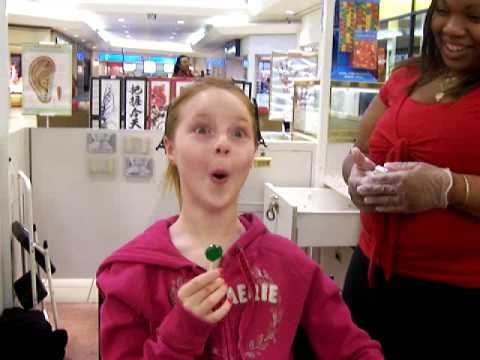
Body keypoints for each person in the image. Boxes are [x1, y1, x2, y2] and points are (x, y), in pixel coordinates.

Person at [96, 78, 383, 359]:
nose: (222, 143)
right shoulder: (132, 274)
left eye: (238, 133)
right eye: (202, 129)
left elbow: (353, 348)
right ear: (170, 148)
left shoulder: (290, 266)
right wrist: (180, 334)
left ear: (252, 153)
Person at [341, 1, 480, 359]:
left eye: (475, 17)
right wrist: (355, 177)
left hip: (458, 298)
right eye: (443, 11)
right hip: (371, 276)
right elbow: (360, 150)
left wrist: (448, 189)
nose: (451, 28)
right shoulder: (406, 77)